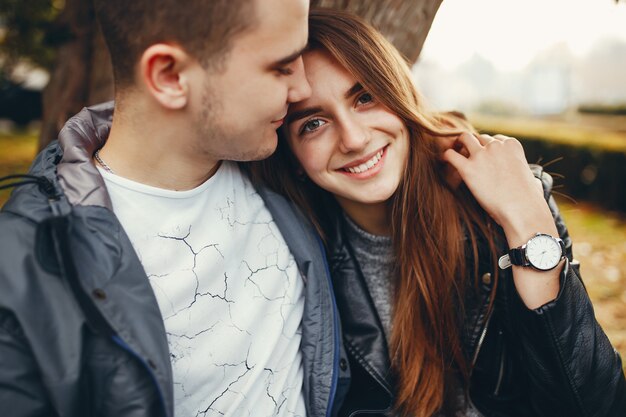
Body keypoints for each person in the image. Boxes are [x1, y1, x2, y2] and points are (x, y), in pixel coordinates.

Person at [250, 9, 626, 417]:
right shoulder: (294, 257)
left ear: (399, 94)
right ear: (292, 158)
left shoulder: (501, 205)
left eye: (365, 97)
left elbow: (596, 405)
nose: (354, 139)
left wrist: (527, 220)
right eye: (314, 123)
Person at [0, 1, 352, 416]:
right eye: (282, 67)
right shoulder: (25, 272)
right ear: (169, 76)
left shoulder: (287, 165)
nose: (303, 90)